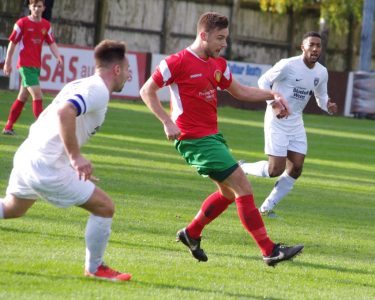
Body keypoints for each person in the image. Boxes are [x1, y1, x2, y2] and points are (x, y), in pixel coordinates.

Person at [140, 11, 303, 267]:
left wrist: (272, 95)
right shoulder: (176, 62)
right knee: (242, 186)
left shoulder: (218, 64)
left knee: (228, 193)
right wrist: (166, 120)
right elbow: (146, 90)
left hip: (213, 137)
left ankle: (191, 233)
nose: (224, 44)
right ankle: (269, 250)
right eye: (220, 38)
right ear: (203, 35)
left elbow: (239, 91)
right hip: (192, 138)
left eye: (226, 38)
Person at [0, 39, 132, 281]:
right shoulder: (99, 90)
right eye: (127, 69)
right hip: (47, 164)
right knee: (105, 207)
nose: (129, 75)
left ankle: (96, 268)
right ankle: (95, 268)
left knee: (13, 208)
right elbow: (64, 112)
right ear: (116, 70)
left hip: (29, 154)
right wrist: (75, 157)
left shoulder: (82, 84)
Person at [240, 31, 338, 218]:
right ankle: (241, 168)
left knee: (296, 168)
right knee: (274, 170)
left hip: (296, 122)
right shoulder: (288, 65)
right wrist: (274, 103)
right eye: (311, 45)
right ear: (303, 47)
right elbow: (263, 81)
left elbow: (321, 96)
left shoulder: (321, 72)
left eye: (318, 45)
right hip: (276, 121)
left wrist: (328, 106)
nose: (315, 49)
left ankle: (266, 208)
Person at [2, 0, 62, 135]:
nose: (36, 8)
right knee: (38, 95)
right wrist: (8, 62)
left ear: (43, 8)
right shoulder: (21, 23)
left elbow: (51, 42)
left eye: (39, 6)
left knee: (22, 97)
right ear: (30, 7)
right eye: (34, 6)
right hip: (25, 65)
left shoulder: (46, 25)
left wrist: (58, 56)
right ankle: (42, 130)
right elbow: (12, 43)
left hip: (36, 67)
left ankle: (8, 127)